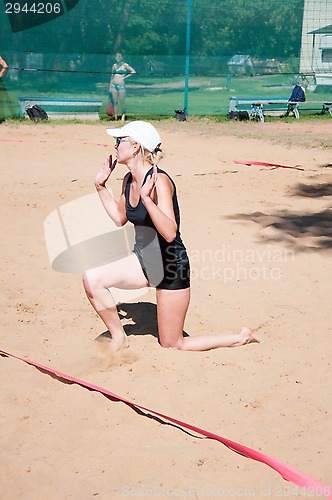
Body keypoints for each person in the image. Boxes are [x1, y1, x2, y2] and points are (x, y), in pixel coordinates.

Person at [82, 121, 259, 352]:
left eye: (120, 141)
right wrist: (100, 186)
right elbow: (119, 217)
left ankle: (240, 338)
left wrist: (146, 199)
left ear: (136, 147)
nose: (115, 145)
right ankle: (119, 338)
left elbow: (169, 231)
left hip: (170, 265)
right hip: (143, 262)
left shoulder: (160, 181)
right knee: (91, 278)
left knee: (173, 343)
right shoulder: (128, 180)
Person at [109, 52, 136, 122]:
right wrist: (110, 87)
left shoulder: (125, 65)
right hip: (113, 85)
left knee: (122, 101)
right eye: (116, 56)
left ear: (122, 57)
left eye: (119, 56)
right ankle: (115, 117)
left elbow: (133, 72)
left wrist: (124, 77)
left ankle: (123, 115)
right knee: (115, 102)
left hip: (121, 85)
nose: (117, 58)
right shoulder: (114, 66)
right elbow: (111, 76)